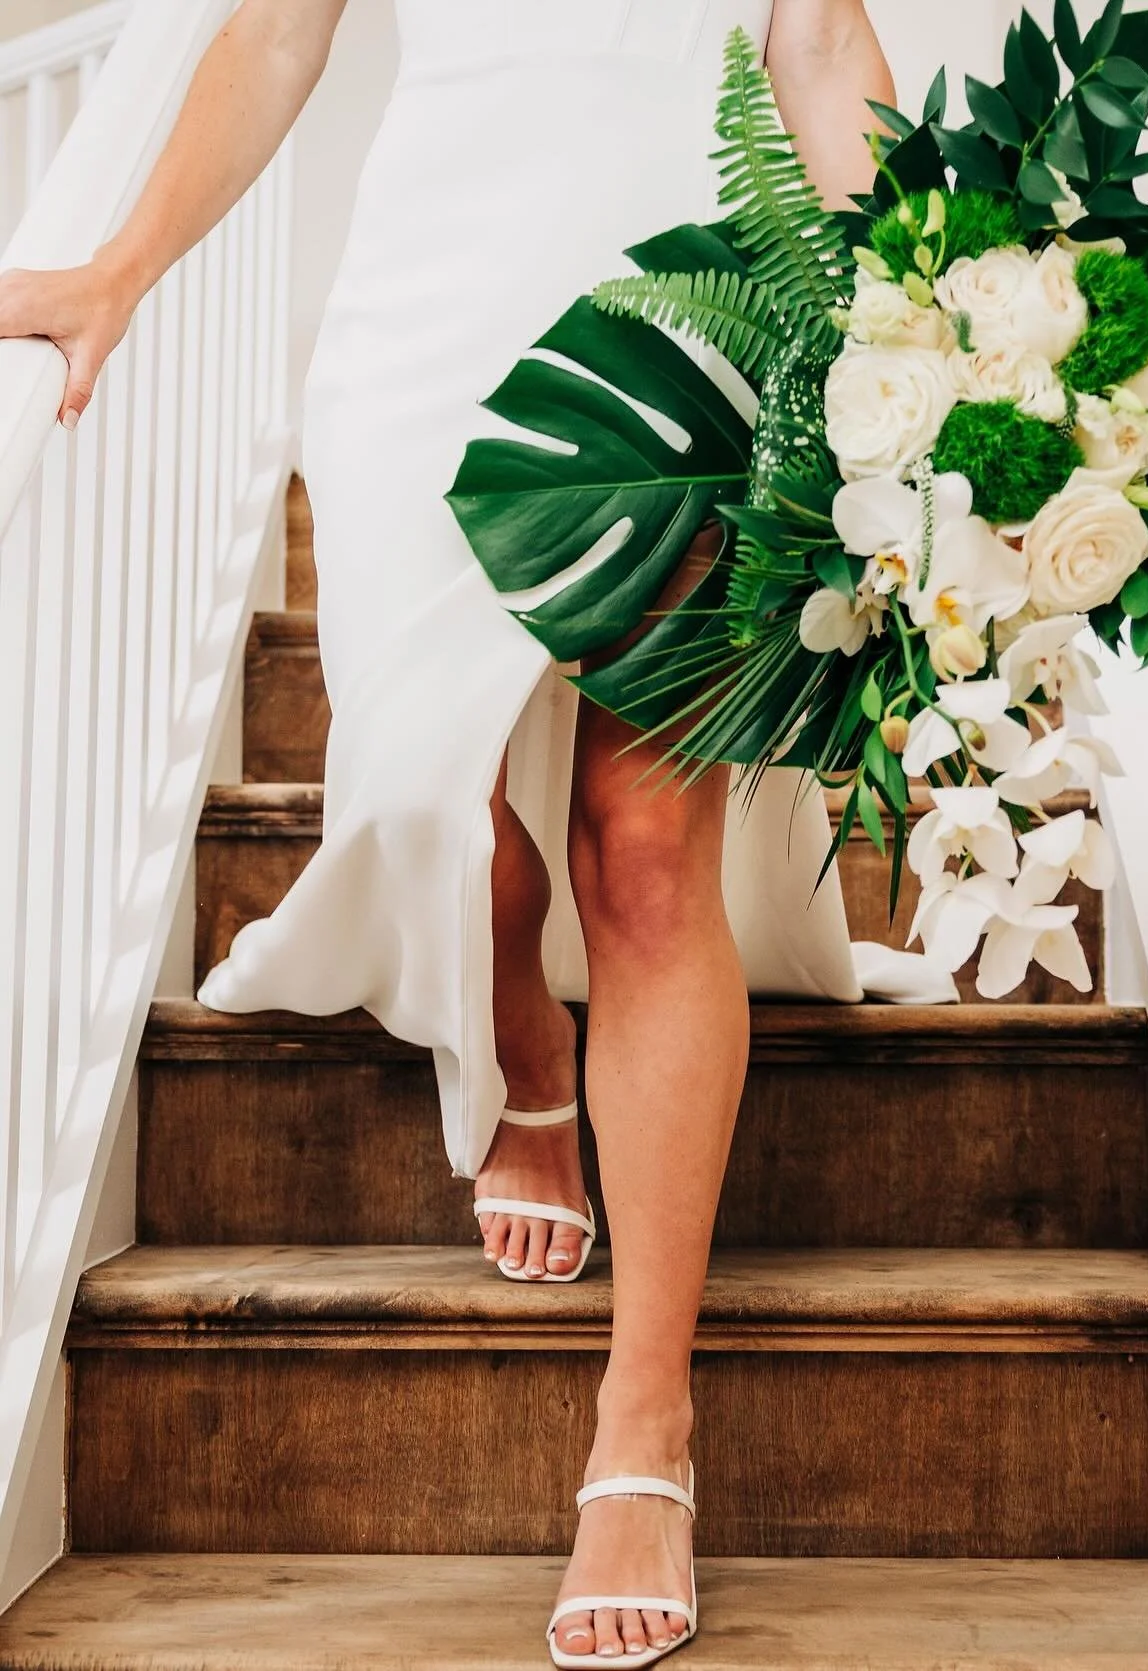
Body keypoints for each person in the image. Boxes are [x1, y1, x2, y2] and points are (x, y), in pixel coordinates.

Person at [0, 2, 900, 1662]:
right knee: (434, 795)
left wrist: (919, 330)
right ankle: (513, 1027)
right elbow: (274, 40)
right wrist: (118, 265)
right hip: (430, 312)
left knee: (643, 843)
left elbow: (822, 44)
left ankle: (645, 1421)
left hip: (700, 306)